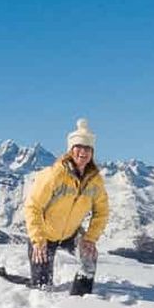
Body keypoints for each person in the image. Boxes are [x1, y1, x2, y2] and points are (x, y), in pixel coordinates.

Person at [23, 118, 109, 295]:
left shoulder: (95, 181)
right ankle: (36, 282)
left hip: (71, 233)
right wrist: (38, 240)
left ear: (92, 152)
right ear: (70, 149)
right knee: (42, 287)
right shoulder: (54, 175)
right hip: (44, 236)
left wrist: (90, 239)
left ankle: (81, 298)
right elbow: (33, 207)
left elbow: (102, 211)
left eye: (87, 148)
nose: (83, 152)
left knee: (89, 259)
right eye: (78, 147)